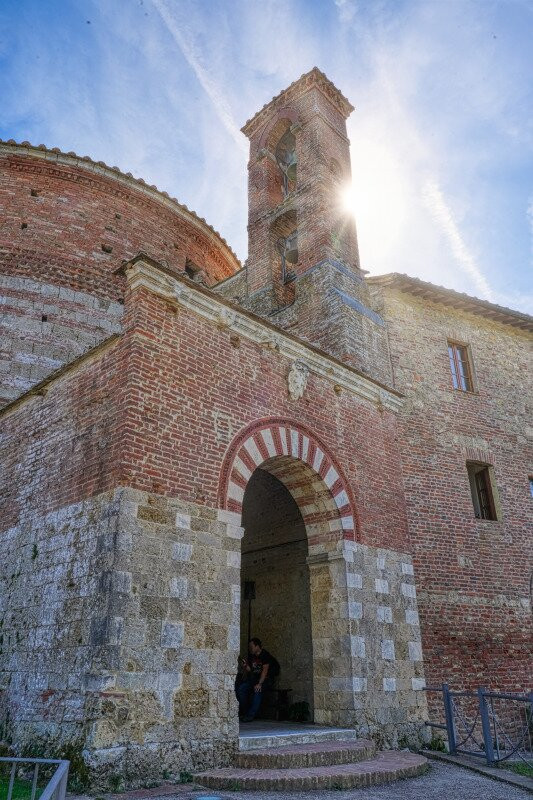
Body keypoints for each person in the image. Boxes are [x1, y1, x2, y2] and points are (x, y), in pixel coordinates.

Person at [236, 637, 280, 722]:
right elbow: (251, 670)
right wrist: (245, 666)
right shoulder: (252, 656)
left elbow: (265, 670)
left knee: (257, 691)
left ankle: (250, 716)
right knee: (242, 689)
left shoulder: (265, 655)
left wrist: (260, 684)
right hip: (255, 680)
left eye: (251, 646)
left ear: (257, 646)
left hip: (266, 680)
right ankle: (245, 713)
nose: (250, 648)